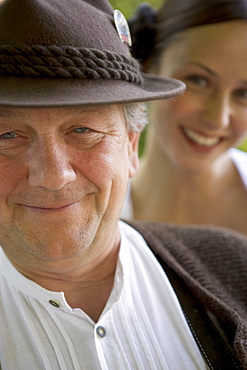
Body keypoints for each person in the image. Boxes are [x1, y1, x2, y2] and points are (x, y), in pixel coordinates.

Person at [0, 0, 246, 369]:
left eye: (83, 130)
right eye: (6, 135)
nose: (52, 176)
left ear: (131, 145)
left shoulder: (236, 272)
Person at [122, 0, 247, 237]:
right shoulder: (95, 219)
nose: (218, 120)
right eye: (199, 80)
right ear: (148, 65)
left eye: (243, 93)